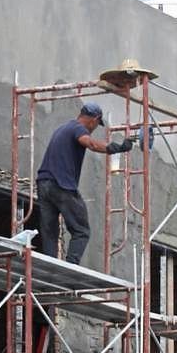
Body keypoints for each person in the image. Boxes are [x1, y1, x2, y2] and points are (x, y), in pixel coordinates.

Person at [36, 103, 133, 265]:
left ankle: (50, 265)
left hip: (44, 184)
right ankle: (70, 266)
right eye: (96, 124)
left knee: (49, 231)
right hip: (62, 185)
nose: (94, 128)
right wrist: (115, 148)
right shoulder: (78, 129)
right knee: (81, 230)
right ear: (94, 119)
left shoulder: (62, 128)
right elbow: (91, 144)